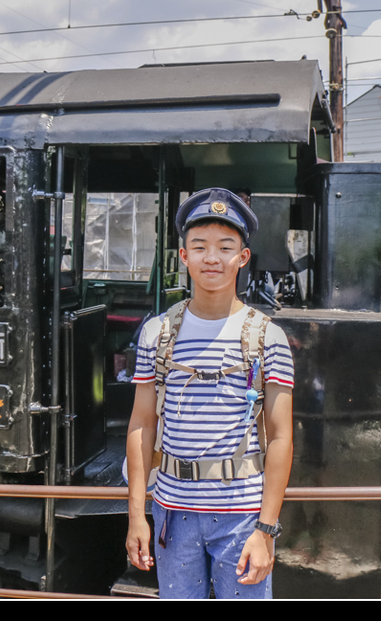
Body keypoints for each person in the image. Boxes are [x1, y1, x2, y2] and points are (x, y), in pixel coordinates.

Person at [125, 188, 294, 599]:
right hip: (172, 513)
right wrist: (136, 516)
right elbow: (142, 425)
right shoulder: (157, 333)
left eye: (225, 247)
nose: (211, 258)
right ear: (184, 257)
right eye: (199, 247)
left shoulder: (267, 337)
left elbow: (282, 436)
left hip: (241, 517)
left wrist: (266, 530)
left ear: (243, 257)